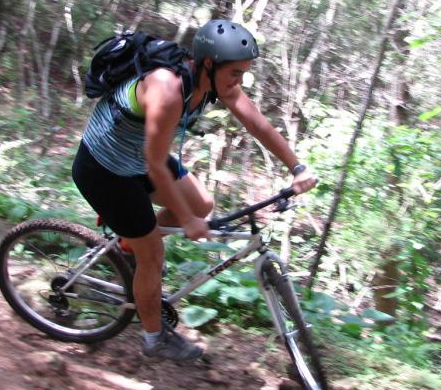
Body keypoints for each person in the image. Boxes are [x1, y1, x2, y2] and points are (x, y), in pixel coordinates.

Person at [71, 19, 317, 362]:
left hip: (141, 160)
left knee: (202, 204)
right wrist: (184, 221)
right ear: (208, 65)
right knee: (154, 253)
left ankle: (130, 244)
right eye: (235, 73)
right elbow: (157, 165)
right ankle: (155, 339)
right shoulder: (167, 89)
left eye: (243, 74)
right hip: (105, 169)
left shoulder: (216, 84)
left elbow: (257, 123)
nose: (239, 82)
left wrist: (297, 166)